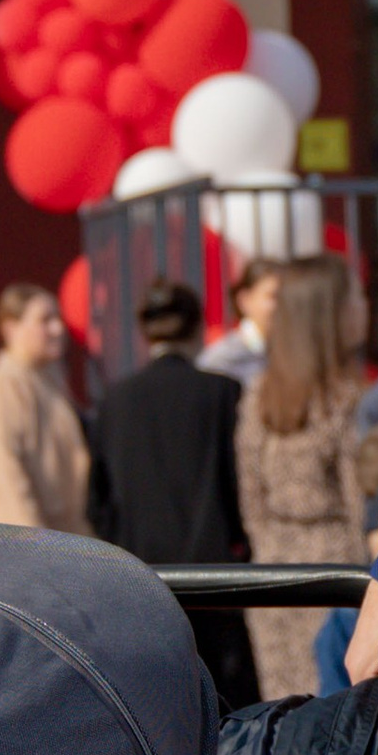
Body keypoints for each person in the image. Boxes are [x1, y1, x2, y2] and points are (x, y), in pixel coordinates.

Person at [87, 276, 258, 712]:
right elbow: (242, 486)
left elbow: (97, 503)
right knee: (228, 712)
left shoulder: (114, 401)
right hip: (218, 579)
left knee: (158, 709)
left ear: (145, 332)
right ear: (198, 326)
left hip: (142, 577)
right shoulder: (224, 393)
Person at [235, 254, 367, 701]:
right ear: (327, 314)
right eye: (353, 296)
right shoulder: (348, 399)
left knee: (283, 714)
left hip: (272, 570)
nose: (362, 305)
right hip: (338, 571)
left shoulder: (259, 396)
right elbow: (359, 505)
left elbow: (250, 497)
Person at [0, 283, 91, 532]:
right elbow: (5, 471)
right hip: (18, 545)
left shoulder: (46, 378)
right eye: (44, 320)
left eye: (58, 318)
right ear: (11, 328)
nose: (58, 328)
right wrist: (37, 543)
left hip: (53, 539)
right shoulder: (4, 385)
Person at [199, 257, 281, 391]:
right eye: (272, 296)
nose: (281, 305)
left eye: (286, 297)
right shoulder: (222, 360)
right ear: (244, 300)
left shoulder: (296, 352)